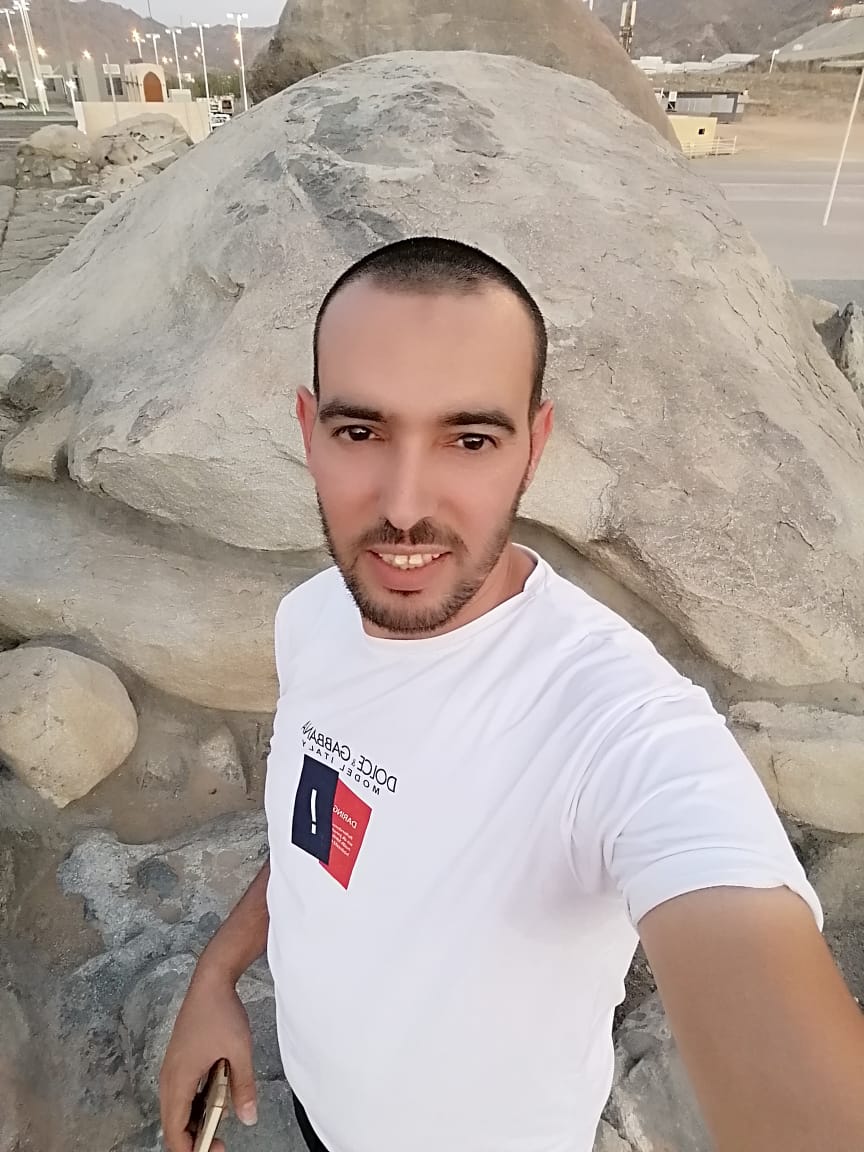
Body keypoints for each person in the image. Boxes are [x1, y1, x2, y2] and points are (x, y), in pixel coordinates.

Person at [160, 237, 864, 1152]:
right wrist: (216, 976)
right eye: (361, 432)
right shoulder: (313, 617)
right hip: (317, 1117)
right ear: (308, 429)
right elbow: (316, 844)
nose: (404, 505)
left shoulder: (619, 724)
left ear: (535, 447)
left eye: (470, 440)